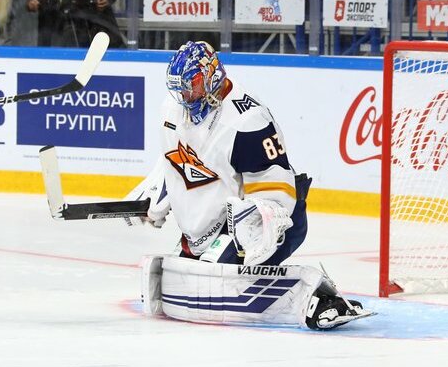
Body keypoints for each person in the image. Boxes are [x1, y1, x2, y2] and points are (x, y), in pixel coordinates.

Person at [127, 41, 367, 331]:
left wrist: (249, 234)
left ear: (212, 75)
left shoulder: (248, 121)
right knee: (188, 285)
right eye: (180, 89)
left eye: (192, 86)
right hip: (212, 227)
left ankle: (321, 298)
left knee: (216, 287)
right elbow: (176, 158)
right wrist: (156, 192)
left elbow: (278, 193)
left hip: (267, 221)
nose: (185, 96)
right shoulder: (173, 108)